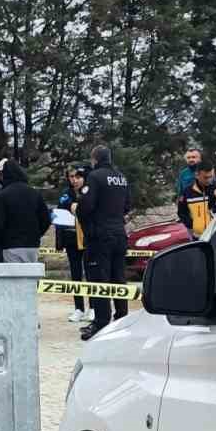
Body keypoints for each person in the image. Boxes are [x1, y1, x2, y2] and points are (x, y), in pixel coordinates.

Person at [77, 145, 131, 341]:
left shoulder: (95, 176)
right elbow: (127, 205)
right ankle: (122, 320)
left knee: (99, 280)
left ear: (94, 159)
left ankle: (101, 323)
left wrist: (80, 212)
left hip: (100, 236)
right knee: (119, 279)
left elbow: (86, 206)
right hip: (119, 233)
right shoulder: (121, 177)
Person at [0, 162, 51, 264]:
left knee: (14, 277)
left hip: (11, 245)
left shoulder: (2, 195)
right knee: (31, 277)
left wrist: (0, 241)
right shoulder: (35, 193)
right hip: (32, 245)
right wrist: (37, 235)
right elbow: (46, 219)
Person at [55, 166, 89, 323]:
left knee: (91, 274)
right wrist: (59, 242)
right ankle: (79, 308)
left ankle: (94, 307)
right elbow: (59, 218)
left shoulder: (90, 191)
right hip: (71, 240)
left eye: (77, 176)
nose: (74, 180)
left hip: (89, 238)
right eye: (71, 176)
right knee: (76, 274)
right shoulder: (65, 195)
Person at [176, 163, 216, 238]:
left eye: (211, 177)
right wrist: (192, 225)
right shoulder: (187, 192)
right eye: (205, 177)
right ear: (196, 175)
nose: (209, 180)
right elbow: (181, 212)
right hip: (198, 237)